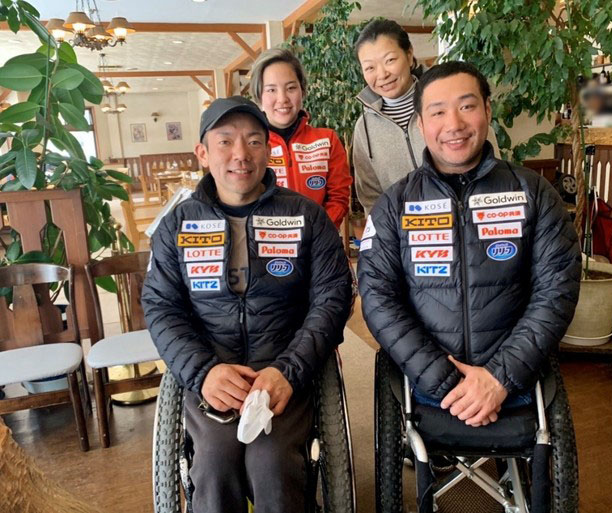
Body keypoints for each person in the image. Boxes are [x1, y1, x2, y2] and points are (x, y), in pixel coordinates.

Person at [142, 96, 352, 513]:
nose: (241, 154)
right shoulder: (177, 226)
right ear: (203, 153)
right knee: (214, 463)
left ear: (267, 150)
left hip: (285, 368)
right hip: (211, 370)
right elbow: (161, 307)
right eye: (225, 141)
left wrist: (288, 370)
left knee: (272, 463)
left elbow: (333, 298)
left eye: (254, 141)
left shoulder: (307, 217)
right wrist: (204, 372)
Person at [357, 61, 581, 427]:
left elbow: (557, 291)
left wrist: (498, 379)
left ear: (487, 110)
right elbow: (378, 297)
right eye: (438, 112)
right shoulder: (394, 205)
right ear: (420, 124)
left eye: (466, 106)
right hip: (428, 386)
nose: (454, 124)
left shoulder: (535, 193)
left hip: (516, 380)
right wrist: (446, 382)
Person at [352, 19, 501, 214]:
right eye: (370, 68)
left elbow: (492, 166)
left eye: (390, 60)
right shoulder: (364, 128)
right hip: (404, 228)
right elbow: (371, 199)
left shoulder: (451, 102)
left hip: (471, 220)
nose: (382, 74)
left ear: (409, 55)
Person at [250, 48, 353, 229]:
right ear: (259, 96)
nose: (282, 99)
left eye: (291, 88)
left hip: (319, 241)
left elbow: (339, 198)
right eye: (271, 90)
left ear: (303, 90)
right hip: (266, 241)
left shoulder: (327, 140)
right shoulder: (249, 146)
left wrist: (317, 234)